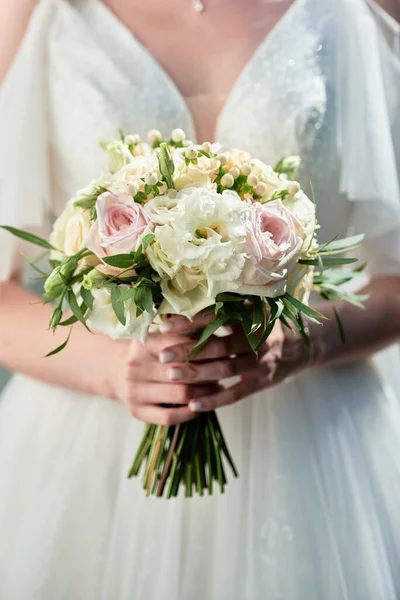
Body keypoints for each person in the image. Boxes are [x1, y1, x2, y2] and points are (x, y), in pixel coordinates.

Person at [0, 0, 400, 598]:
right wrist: (117, 370)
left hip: (311, 451)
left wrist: (297, 344)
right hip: (88, 444)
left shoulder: (352, 11)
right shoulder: (37, 14)